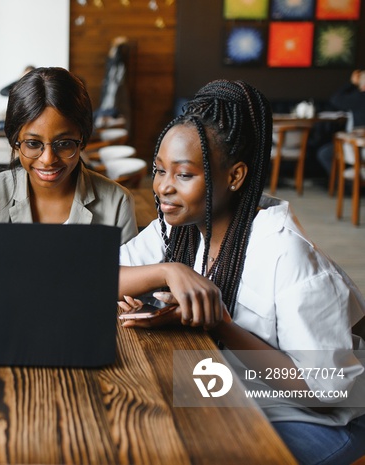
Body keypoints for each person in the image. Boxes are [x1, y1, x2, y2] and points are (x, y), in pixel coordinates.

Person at [116, 79, 365, 464]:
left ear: (234, 177)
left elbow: (328, 391)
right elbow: (100, 276)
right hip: (233, 391)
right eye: (159, 170)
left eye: (183, 175)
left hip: (318, 419)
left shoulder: (287, 256)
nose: (163, 187)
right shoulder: (177, 227)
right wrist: (167, 271)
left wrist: (221, 325)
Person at [0, 67, 137, 244]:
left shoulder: (117, 202)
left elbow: (125, 271)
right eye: (33, 143)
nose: (47, 160)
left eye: (63, 144)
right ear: (14, 140)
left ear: (82, 139)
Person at [316, 69, 365, 175]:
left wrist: (351, 84)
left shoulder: (360, 97)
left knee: (324, 154)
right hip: (357, 145)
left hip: (358, 146)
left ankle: (346, 185)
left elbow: (335, 99)